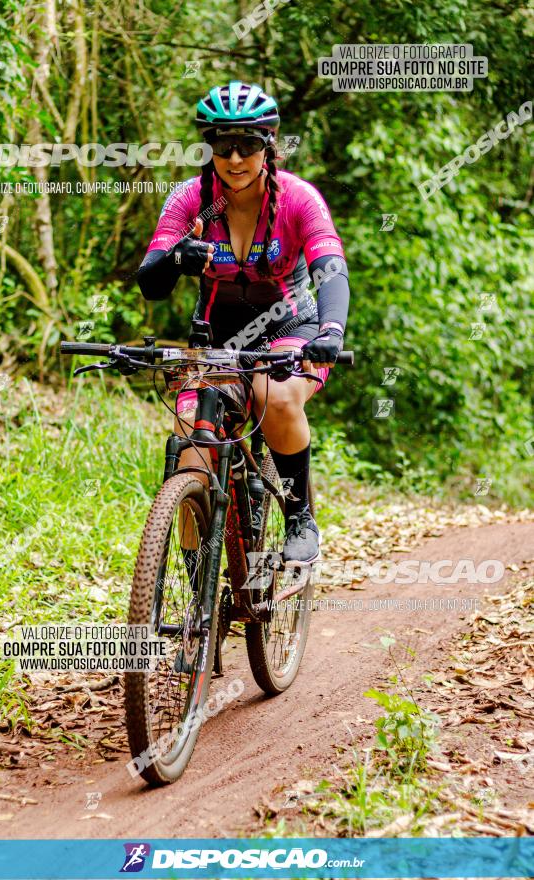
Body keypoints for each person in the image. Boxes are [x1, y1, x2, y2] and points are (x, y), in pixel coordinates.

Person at [137, 81, 350, 564]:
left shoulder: (299, 198)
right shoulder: (189, 199)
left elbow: (331, 271)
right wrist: (175, 260)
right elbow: (149, 282)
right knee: (191, 449)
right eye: (222, 144)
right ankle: (198, 609)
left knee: (272, 394)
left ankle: (300, 515)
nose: (235, 158)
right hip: (215, 336)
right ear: (208, 145)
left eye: (248, 144)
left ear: (268, 145)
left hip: (290, 328)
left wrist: (332, 331)